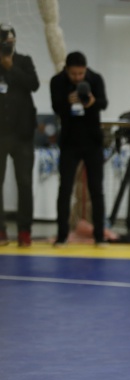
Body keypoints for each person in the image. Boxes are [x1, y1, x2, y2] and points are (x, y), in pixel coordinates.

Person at [50, 51, 108, 247]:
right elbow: (56, 107)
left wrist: (91, 102)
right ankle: (62, 235)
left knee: (96, 189)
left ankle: (99, 236)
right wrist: (68, 102)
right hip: (69, 142)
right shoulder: (57, 81)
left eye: (80, 74)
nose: (77, 77)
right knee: (65, 189)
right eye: (73, 74)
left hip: (92, 141)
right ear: (66, 70)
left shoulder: (96, 78)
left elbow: (104, 103)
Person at [0, 24, 39, 247]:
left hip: (23, 133)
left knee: (24, 182)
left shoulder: (24, 61)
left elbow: (33, 85)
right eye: (5, 41)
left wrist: (11, 67)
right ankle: (1, 229)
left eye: (12, 40)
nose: (10, 44)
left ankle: (25, 230)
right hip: (0, 134)